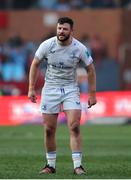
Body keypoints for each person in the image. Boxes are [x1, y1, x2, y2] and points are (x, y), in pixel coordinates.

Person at [28, 17, 97, 175]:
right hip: (50, 89)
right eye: (59, 28)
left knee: (74, 126)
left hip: (70, 89)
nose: (61, 31)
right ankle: (50, 166)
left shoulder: (79, 48)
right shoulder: (47, 45)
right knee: (49, 129)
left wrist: (92, 94)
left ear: (71, 31)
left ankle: (77, 166)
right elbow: (35, 64)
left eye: (65, 29)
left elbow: (91, 69)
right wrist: (31, 88)